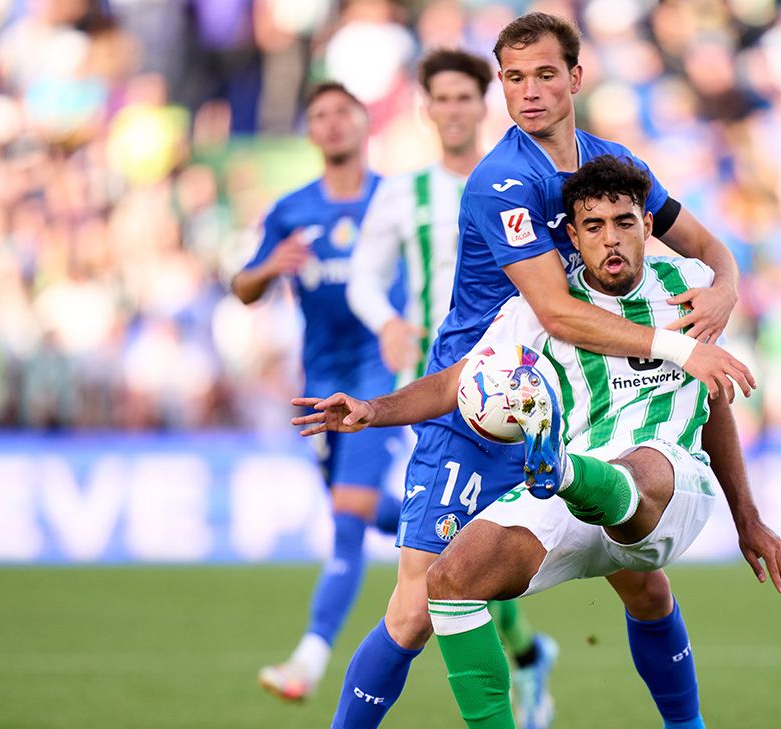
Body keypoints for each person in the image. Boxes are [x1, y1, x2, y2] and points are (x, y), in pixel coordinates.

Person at [318, 13, 767, 729]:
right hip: (480, 399)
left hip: (567, 401)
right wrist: (684, 346)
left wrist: (725, 286)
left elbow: (707, 245)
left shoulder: (610, 168)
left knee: (643, 581)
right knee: (416, 608)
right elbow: (555, 314)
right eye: (514, 78)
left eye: (545, 74)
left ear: (576, 78)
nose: (528, 92)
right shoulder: (503, 180)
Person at [346, 48, 558, 727]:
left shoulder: (525, 181)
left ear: (482, 103)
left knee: (627, 570)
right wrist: (387, 322)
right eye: (442, 98)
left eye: (467, 97)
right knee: (424, 590)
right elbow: (363, 279)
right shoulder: (404, 193)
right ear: (427, 108)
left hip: (531, 392)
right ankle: (527, 659)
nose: (455, 109)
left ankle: (528, 658)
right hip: (450, 392)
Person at [231, 81, 400, 702]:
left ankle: (310, 654)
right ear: (310, 132)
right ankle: (458, 527)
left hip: (382, 381)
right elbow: (243, 287)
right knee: (354, 505)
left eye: (341, 114)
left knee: (346, 522)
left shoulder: (396, 200)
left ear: (363, 123)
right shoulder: (292, 210)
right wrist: (267, 269)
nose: (331, 124)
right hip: (319, 383)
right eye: (319, 116)